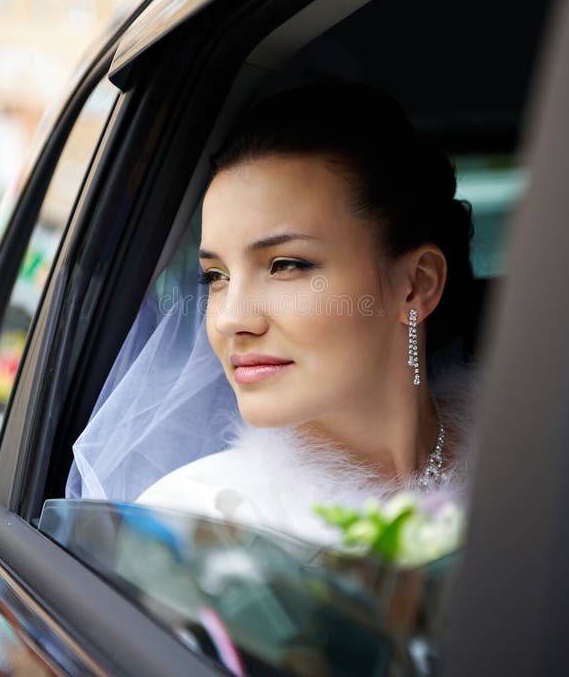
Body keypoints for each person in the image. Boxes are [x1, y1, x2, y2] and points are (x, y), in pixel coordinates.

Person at [133, 83, 476, 542]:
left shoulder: (536, 453)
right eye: (214, 276)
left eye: (285, 265)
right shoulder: (200, 520)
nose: (229, 319)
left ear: (415, 285)